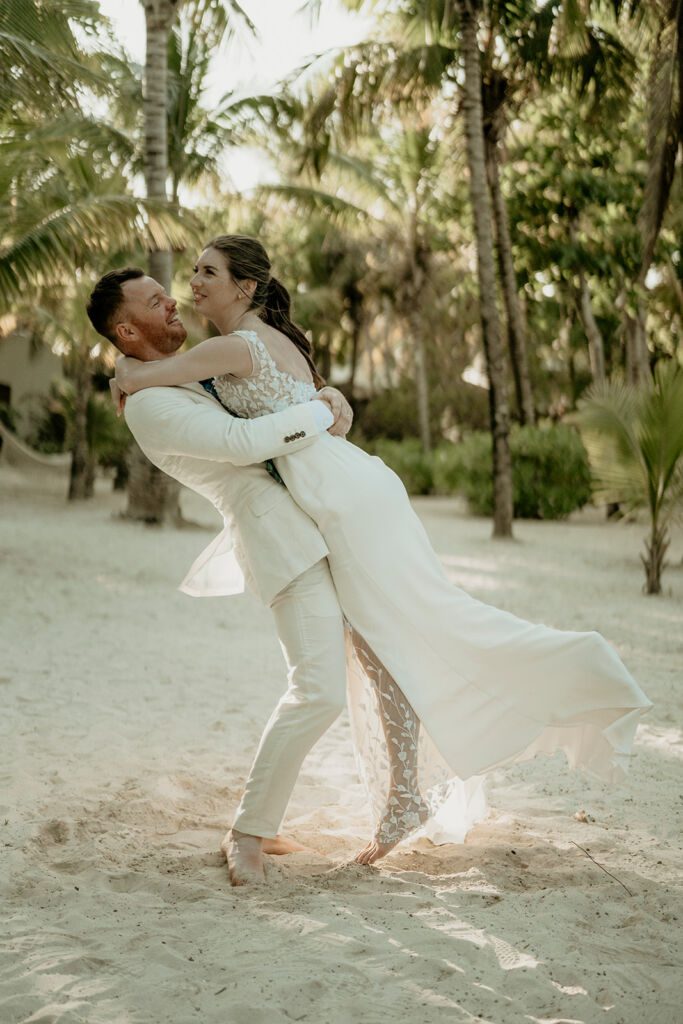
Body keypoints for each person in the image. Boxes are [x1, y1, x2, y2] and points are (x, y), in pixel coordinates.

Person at [111, 235, 653, 872]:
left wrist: (126, 373)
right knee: (386, 640)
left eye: (207, 273)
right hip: (349, 486)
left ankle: (577, 668)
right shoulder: (261, 339)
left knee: (419, 626)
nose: (191, 285)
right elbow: (325, 410)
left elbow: (180, 391)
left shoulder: (227, 346)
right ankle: (404, 797)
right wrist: (328, 405)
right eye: (193, 272)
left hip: (341, 497)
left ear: (246, 287)